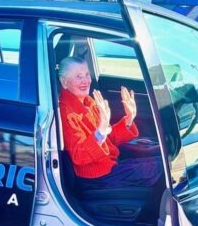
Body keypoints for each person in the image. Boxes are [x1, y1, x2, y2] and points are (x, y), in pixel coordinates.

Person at [58, 57, 162, 190]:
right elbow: (78, 156)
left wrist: (129, 118)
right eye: (78, 77)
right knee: (163, 168)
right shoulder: (65, 113)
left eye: (87, 75)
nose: (86, 81)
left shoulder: (88, 101)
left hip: (110, 163)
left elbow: (108, 139)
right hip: (97, 176)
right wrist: (100, 132)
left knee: (162, 156)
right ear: (64, 82)